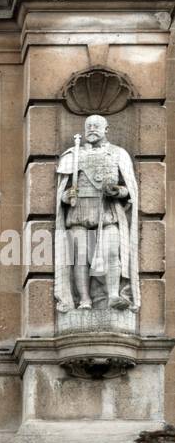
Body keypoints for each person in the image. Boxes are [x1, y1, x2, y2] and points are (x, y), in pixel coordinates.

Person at [54, 114, 139, 314]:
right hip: (78, 214)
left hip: (107, 212)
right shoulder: (73, 155)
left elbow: (129, 189)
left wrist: (118, 191)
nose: (92, 129)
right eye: (88, 126)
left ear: (106, 129)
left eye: (96, 126)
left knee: (112, 253)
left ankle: (112, 295)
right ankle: (84, 299)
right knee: (80, 257)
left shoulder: (119, 154)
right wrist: (67, 196)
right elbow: (62, 194)